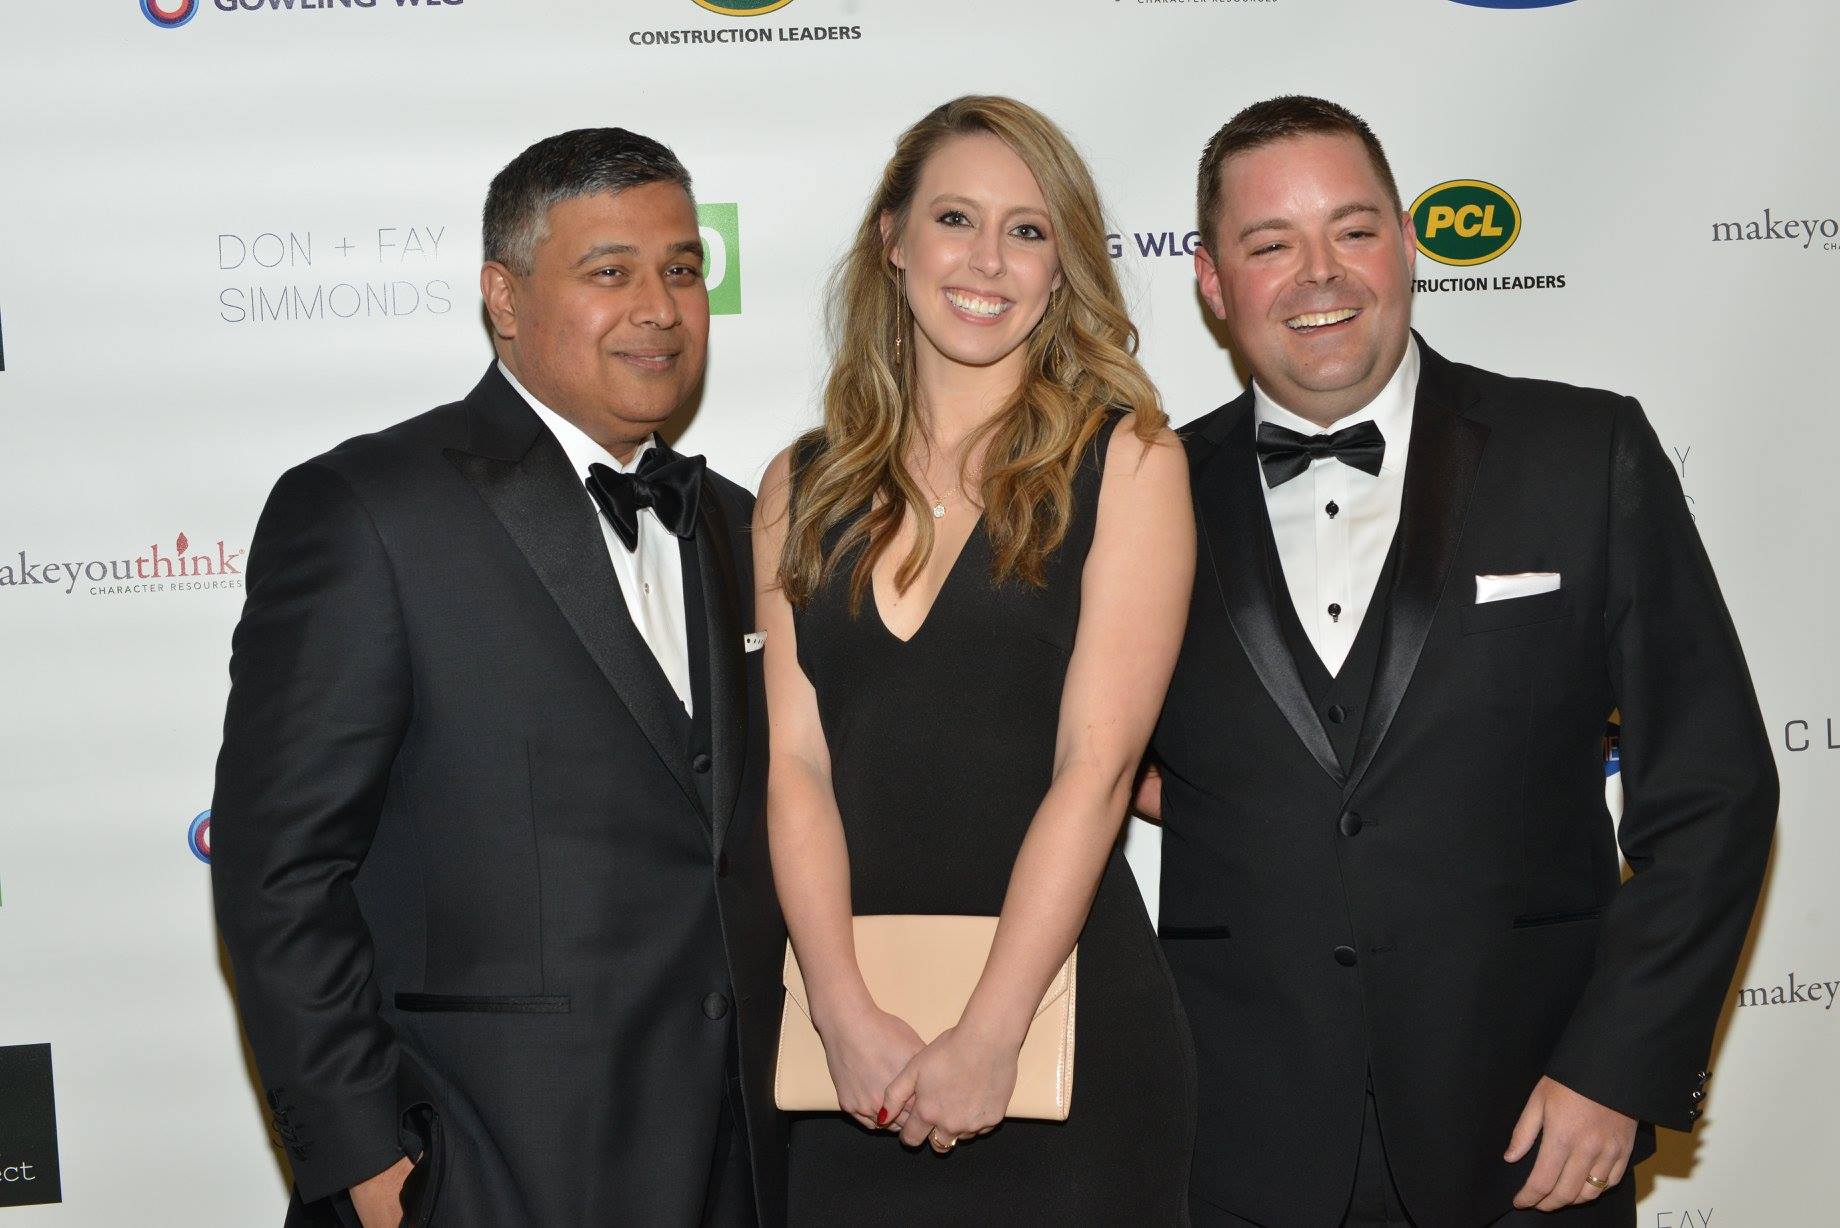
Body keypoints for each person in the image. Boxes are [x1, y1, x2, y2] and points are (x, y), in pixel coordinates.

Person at [1141, 96, 1778, 1227]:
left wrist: (1616, 1070)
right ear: (1211, 280)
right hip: (1232, 1142)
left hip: (1533, 1133)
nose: (1319, 273)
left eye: (1352, 229)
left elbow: (1712, 788)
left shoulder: (1583, 453)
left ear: (1406, 241)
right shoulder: (1137, 497)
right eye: (1269, 243)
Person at [211, 127, 786, 1228]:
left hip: (737, 1162)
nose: (660, 308)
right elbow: (278, 865)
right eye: (609, 272)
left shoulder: (736, 523)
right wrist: (367, 1160)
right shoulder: (370, 510)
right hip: (485, 1165)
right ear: (504, 298)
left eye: (681, 269)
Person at [752, 95, 1198, 1224]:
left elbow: (1096, 770)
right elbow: (795, 767)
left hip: (1064, 1033)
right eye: (955, 217)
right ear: (892, 240)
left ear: (1061, 270)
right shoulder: (799, 485)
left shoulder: (1128, 463)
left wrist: (994, 1032)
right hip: (853, 1050)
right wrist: (839, 1014)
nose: (988, 259)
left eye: (1028, 230)